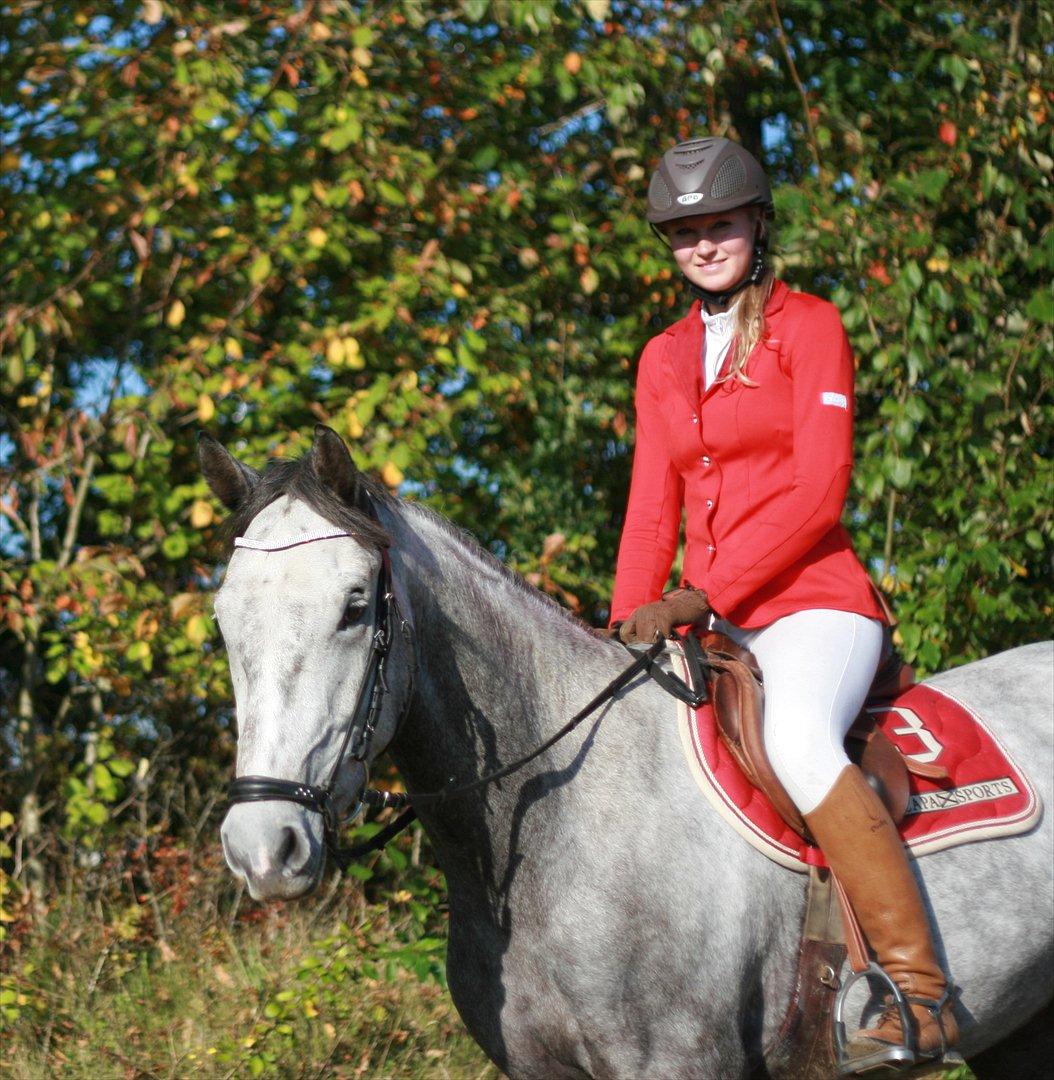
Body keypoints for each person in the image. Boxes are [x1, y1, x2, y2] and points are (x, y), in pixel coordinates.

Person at [609, 136, 958, 1070]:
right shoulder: (662, 358)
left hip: (814, 605)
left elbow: (822, 490)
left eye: (718, 224)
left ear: (757, 225)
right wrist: (624, 625)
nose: (702, 243)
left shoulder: (811, 327)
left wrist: (703, 592)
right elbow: (652, 507)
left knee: (799, 739)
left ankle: (918, 993)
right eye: (684, 232)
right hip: (709, 622)